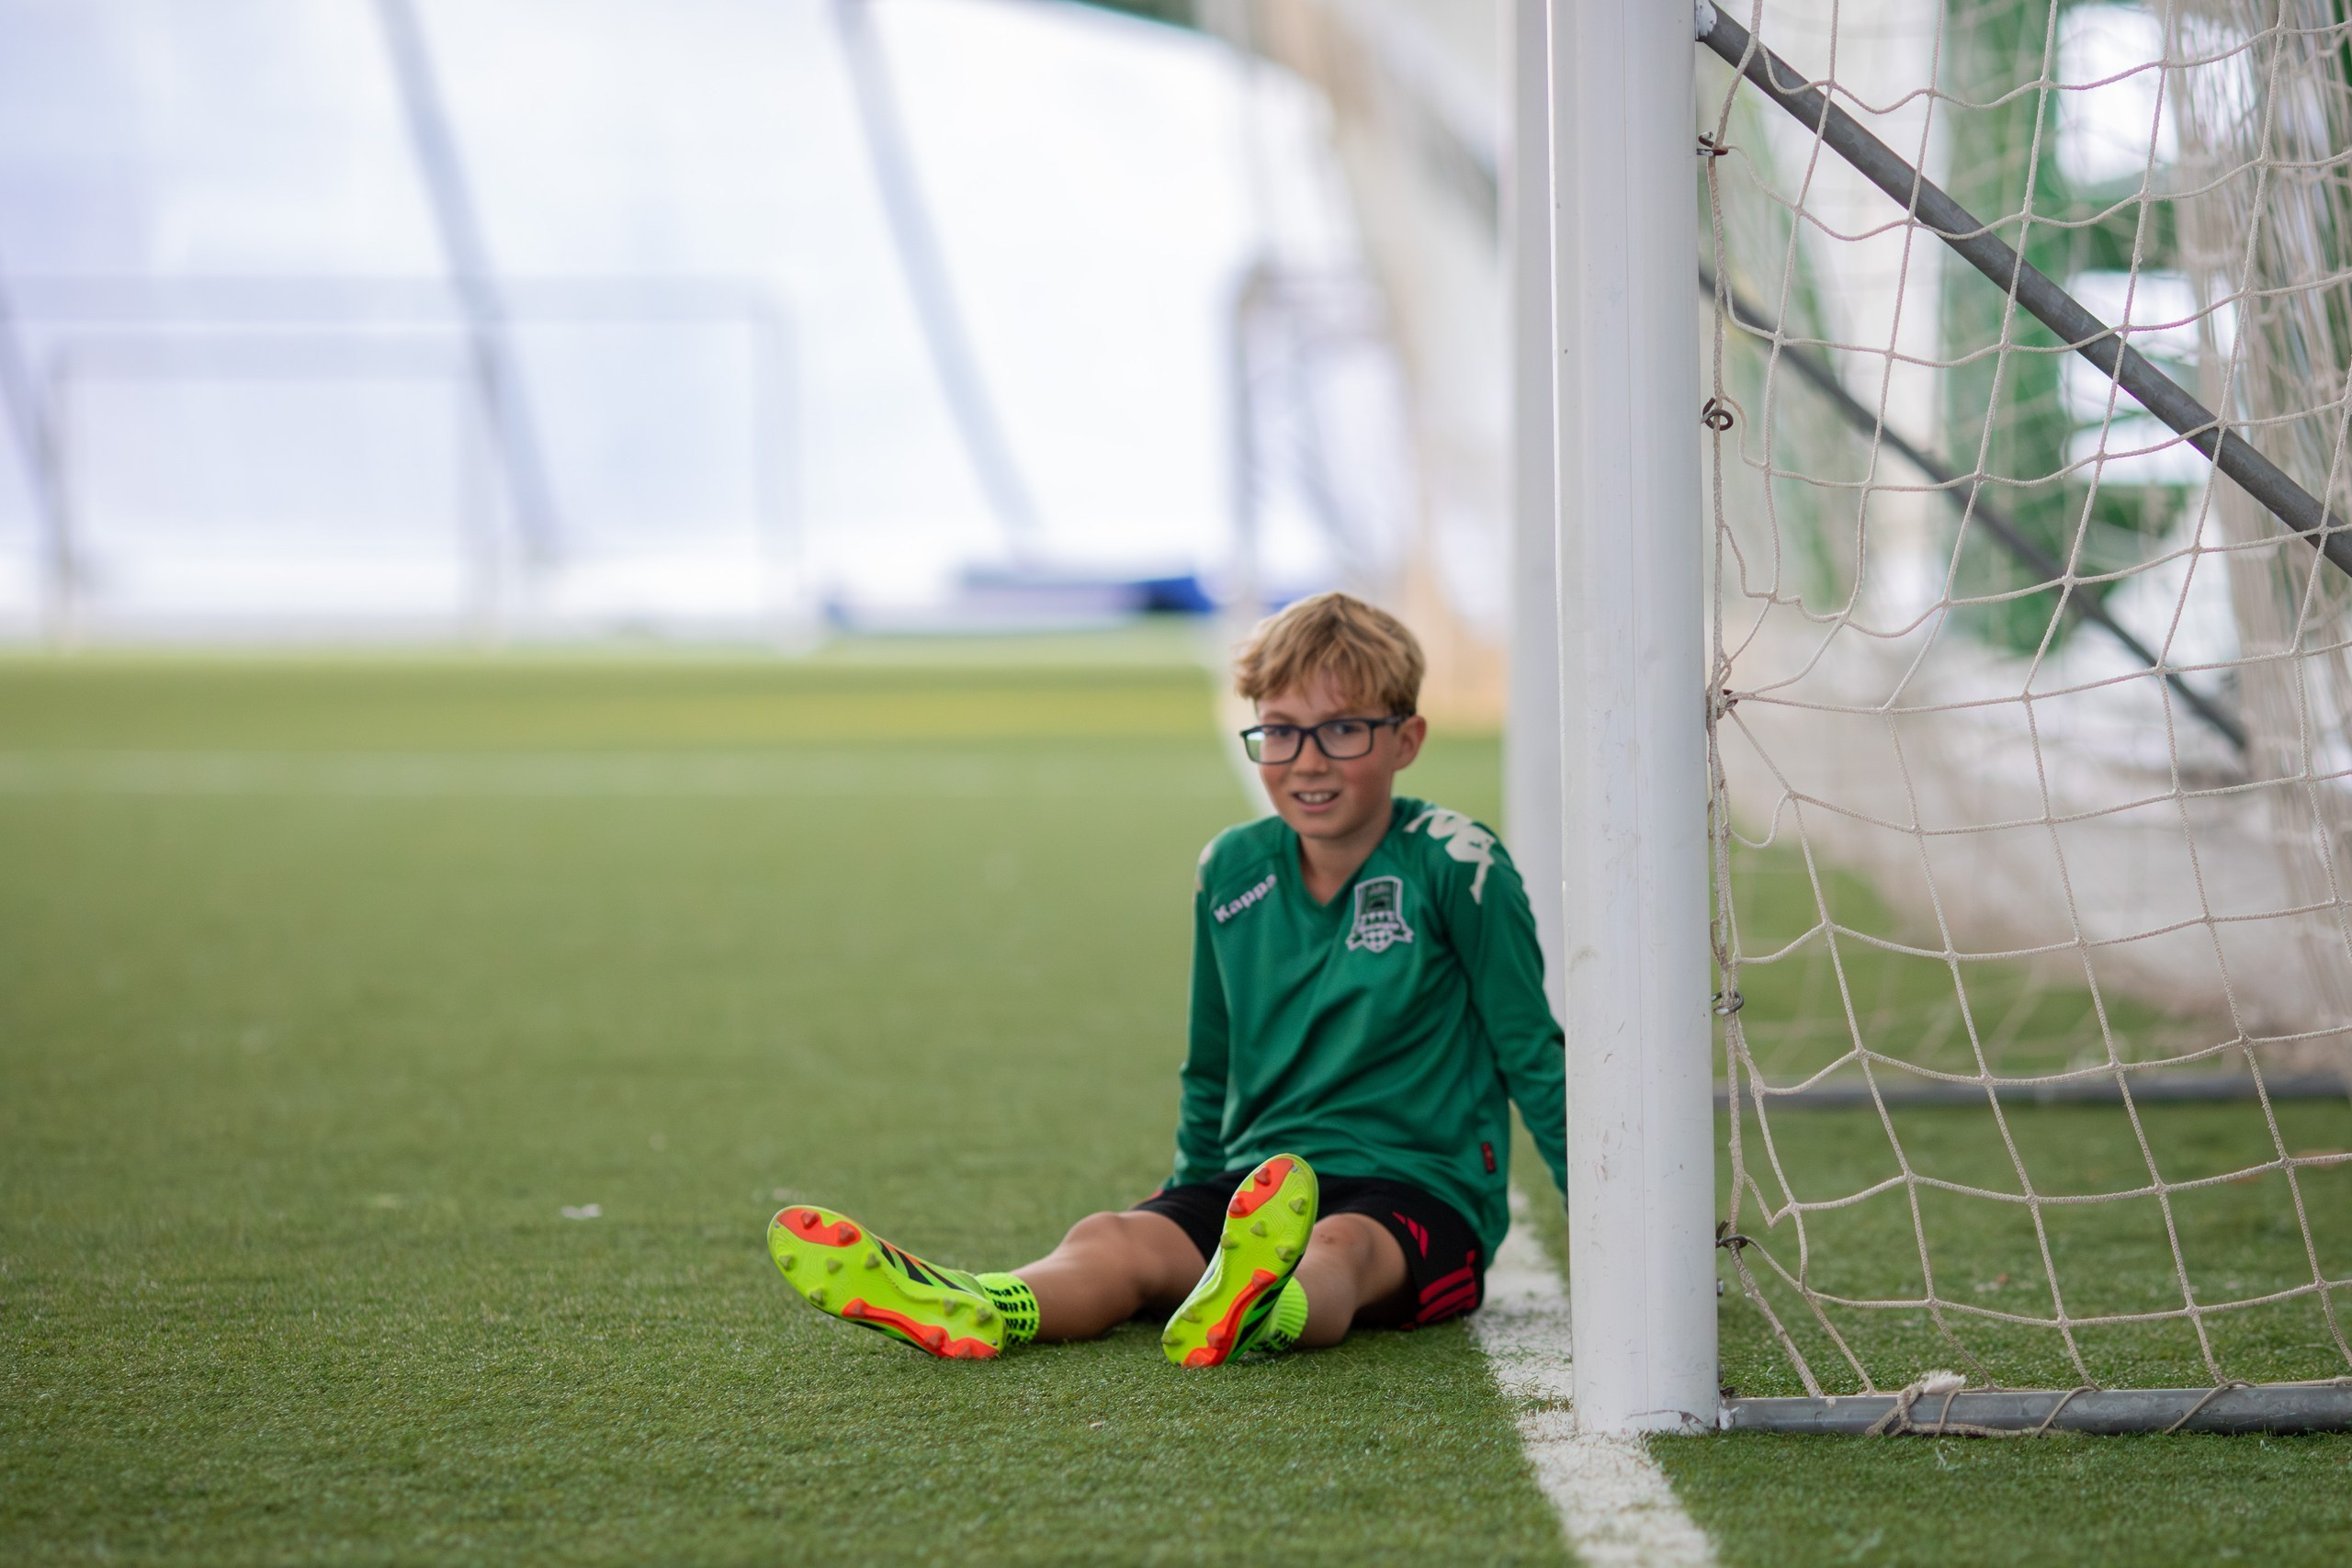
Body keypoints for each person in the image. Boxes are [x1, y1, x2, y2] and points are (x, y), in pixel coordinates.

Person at [767, 592, 1566, 1365]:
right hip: (1257, 1186)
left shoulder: (1458, 863)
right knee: (1113, 1238)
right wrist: (1182, 1202)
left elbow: (1533, 1054)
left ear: (1406, 739)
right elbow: (1210, 1065)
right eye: (1281, 733)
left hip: (1418, 1193)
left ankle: (1265, 1307)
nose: (1307, 762)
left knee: (1338, 1246)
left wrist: (1614, 1230)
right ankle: (983, 1302)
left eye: (1343, 731)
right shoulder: (1232, 869)